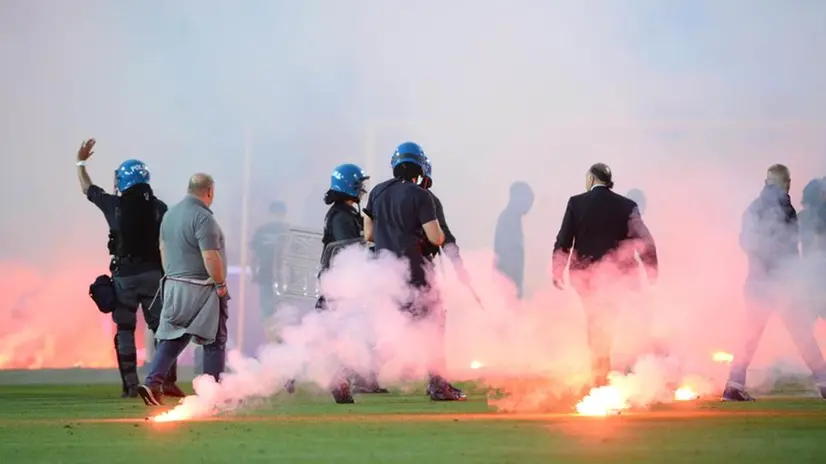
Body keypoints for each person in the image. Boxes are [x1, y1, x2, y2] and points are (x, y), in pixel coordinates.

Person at [76, 138, 183, 399]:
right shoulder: (161, 209)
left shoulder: (114, 205)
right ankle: (163, 381)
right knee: (163, 330)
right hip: (155, 277)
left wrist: (80, 162)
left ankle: (131, 386)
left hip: (124, 278)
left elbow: (88, 189)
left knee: (125, 330)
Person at [363, 141, 466, 401]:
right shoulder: (421, 196)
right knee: (432, 324)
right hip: (415, 271)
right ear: (419, 167)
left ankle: (363, 375)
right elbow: (435, 236)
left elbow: (369, 234)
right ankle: (438, 384)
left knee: (387, 325)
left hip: (384, 272)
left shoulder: (376, 191)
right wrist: (439, 237)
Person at [723, 165, 826, 401]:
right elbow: (788, 246)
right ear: (786, 183)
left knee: (749, 336)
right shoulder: (783, 207)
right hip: (778, 283)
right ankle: (824, 380)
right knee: (802, 333)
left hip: (757, 283)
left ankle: (734, 385)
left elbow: (746, 242)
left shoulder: (753, 207)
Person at [551, 163, 658, 387]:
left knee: (594, 320)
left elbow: (564, 240)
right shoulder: (627, 205)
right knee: (608, 321)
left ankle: (599, 373)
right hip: (618, 276)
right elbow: (645, 240)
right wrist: (651, 269)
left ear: (591, 178)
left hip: (584, 275)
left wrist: (557, 269)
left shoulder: (576, 203)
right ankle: (604, 371)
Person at [138, 173, 230, 406]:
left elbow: (163, 248)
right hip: (201, 290)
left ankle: (153, 382)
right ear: (209, 191)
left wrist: (172, 276)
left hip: (173, 285)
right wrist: (220, 285)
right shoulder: (203, 218)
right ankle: (213, 395)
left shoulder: (170, 214)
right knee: (214, 341)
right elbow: (210, 256)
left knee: (173, 338)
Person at [314, 163, 389, 401]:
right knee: (344, 332)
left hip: (343, 283)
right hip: (341, 284)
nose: (362, 189)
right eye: (359, 184)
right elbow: (350, 251)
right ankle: (336, 379)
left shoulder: (344, 213)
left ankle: (359, 378)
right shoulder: (341, 216)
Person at [418, 157, 471, 283]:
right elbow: (443, 235)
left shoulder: (431, 201)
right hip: (416, 270)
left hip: (398, 271)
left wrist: (458, 265)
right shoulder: (429, 200)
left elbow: (444, 235)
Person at [493, 182, 535, 299]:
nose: (529, 206)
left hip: (511, 280)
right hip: (507, 280)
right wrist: (513, 285)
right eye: (528, 201)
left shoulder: (513, 219)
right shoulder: (508, 220)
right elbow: (506, 254)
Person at [250, 201, 289, 326]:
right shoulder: (289, 230)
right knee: (284, 314)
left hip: (265, 276)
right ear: (283, 214)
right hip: (285, 279)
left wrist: (254, 274)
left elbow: (254, 257)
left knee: (267, 314)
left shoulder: (261, 231)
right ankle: (282, 343)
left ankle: (271, 342)